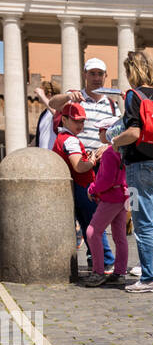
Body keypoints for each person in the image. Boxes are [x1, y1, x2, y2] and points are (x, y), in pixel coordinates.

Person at [109, 49, 153, 292]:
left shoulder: (133, 95)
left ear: (132, 71)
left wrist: (116, 142)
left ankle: (150, 279)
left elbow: (134, 132)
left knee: (142, 223)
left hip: (140, 168)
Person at [49, 56, 120, 271]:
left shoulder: (112, 104)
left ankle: (102, 259)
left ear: (106, 76)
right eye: (92, 73)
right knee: (86, 212)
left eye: (100, 74)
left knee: (94, 215)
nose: (97, 78)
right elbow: (52, 105)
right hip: (77, 161)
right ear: (85, 75)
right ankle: (100, 258)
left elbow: (117, 133)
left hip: (101, 164)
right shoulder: (73, 99)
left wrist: (107, 147)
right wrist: (68, 96)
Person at [52, 102, 108, 286]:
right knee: (94, 228)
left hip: (78, 189)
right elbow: (78, 165)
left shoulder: (62, 138)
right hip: (84, 189)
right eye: (76, 121)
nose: (80, 125)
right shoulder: (71, 140)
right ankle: (105, 263)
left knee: (89, 228)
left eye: (82, 121)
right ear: (65, 119)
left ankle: (99, 263)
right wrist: (92, 161)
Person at [85, 120, 130, 285]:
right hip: (124, 195)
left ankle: (98, 272)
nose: (99, 134)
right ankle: (119, 272)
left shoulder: (110, 152)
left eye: (101, 130)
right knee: (120, 236)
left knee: (92, 232)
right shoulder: (124, 150)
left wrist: (92, 188)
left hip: (111, 197)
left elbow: (106, 180)